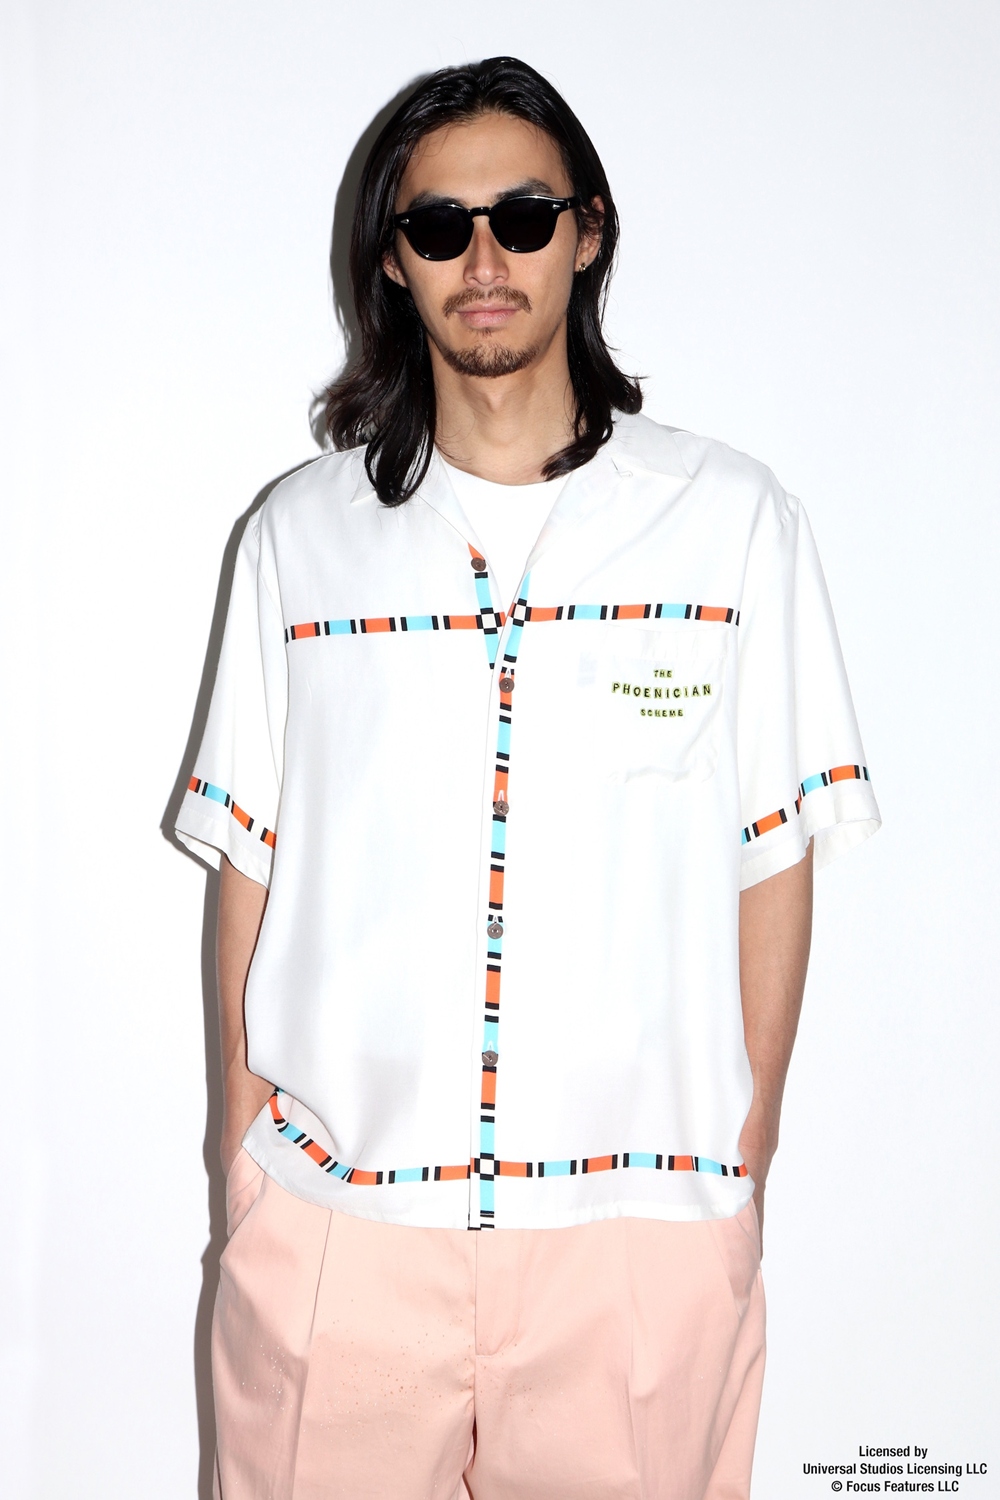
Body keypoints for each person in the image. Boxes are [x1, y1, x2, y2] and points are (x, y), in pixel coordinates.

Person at [175, 55, 880, 1500]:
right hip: (339, 1229)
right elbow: (250, 861)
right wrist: (237, 1156)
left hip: (638, 1245)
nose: (484, 259)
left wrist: (742, 1158)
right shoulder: (299, 539)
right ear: (394, 258)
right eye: (440, 226)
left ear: (588, 231)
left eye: (524, 215)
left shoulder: (732, 524)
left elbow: (774, 852)